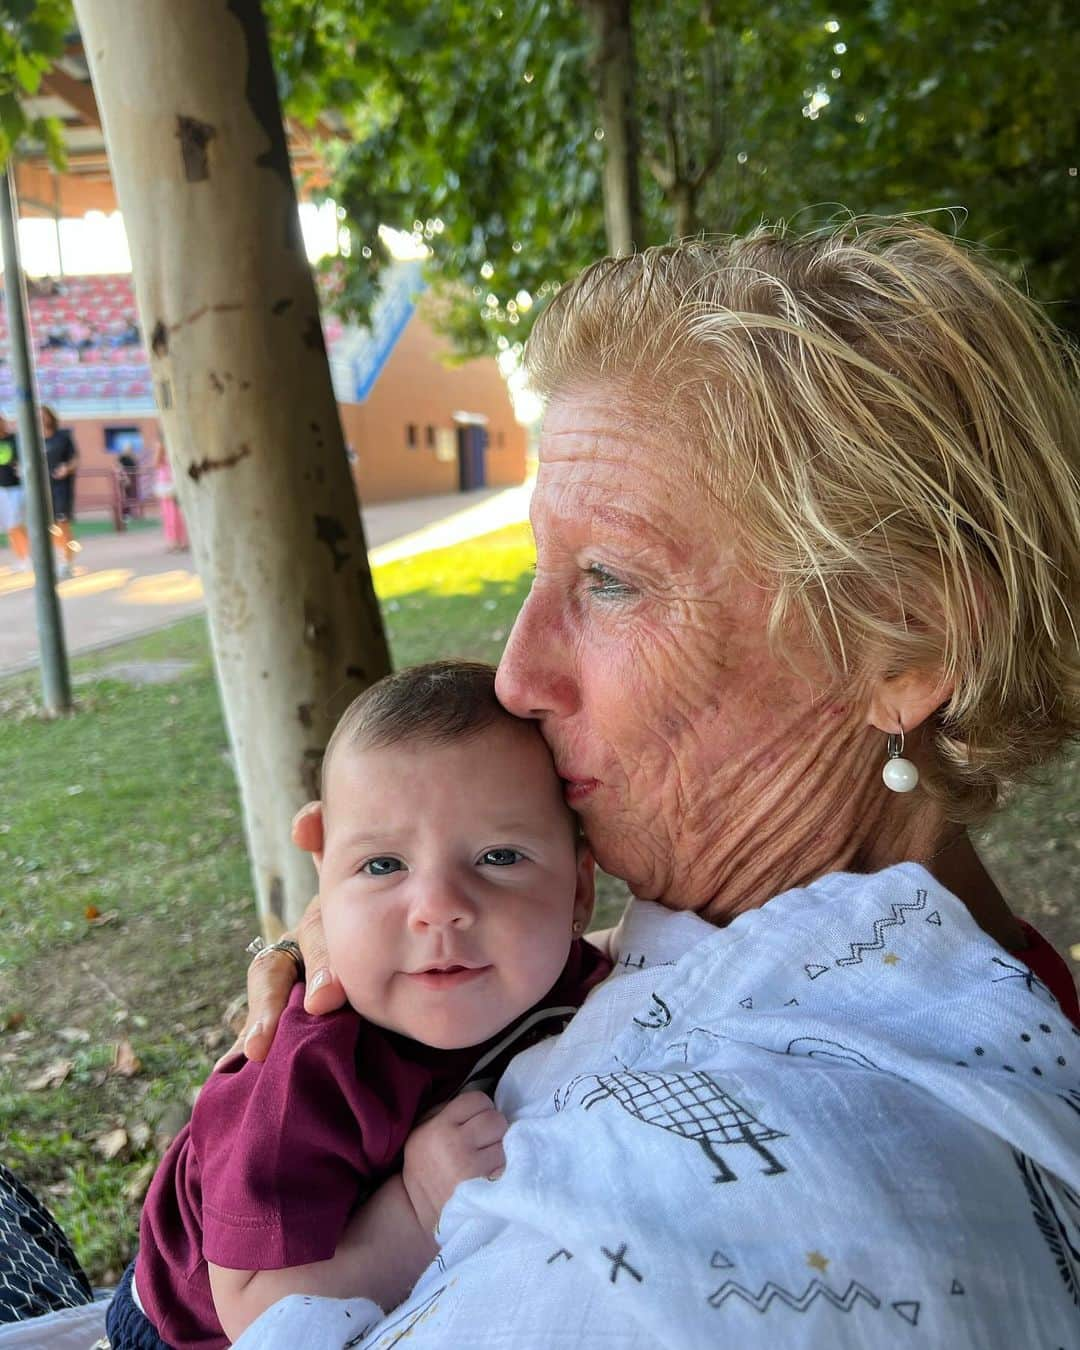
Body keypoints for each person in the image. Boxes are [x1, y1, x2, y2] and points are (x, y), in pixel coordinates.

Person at [234, 220, 1080, 1349]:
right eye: (541, 570)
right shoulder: (956, 967)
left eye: (612, 580)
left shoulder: (719, 1230)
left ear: (910, 645)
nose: (520, 674)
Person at [106, 661, 608, 1350]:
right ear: (325, 885)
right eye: (382, 866)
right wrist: (418, 1207)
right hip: (189, 1326)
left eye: (498, 856)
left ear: (580, 893)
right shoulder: (307, 1072)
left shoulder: (577, 979)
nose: (437, 909)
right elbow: (254, 1313)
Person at [41, 407, 79, 580]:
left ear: (51, 417)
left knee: (63, 524)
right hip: (43, 489)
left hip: (61, 487)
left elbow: (75, 459)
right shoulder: (34, 440)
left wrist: (67, 468)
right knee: (51, 527)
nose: (41, 419)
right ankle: (64, 554)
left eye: (44, 416)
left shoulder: (63, 436)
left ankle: (68, 562)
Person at [0, 415, 29, 572]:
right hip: (1, 489)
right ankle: (21, 557)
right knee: (9, 527)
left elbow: (24, 460)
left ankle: (28, 557)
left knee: (16, 524)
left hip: (16, 487)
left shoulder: (14, 439)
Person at [152, 440, 188, 552]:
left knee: (172, 514)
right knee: (174, 513)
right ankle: (179, 541)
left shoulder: (165, 446)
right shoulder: (173, 445)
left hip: (169, 483)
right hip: (170, 483)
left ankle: (178, 542)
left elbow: (156, 463)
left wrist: (160, 448)